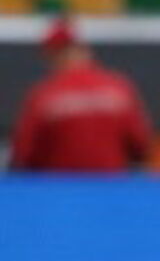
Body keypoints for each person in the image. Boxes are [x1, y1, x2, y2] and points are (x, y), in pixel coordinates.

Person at [10, 17, 152, 172]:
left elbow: (24, 155)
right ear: (85, 50)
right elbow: (141, 147)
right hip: (110, 184)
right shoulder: (119, 88)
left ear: (52, 55)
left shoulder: (44, 94)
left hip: (59, 185)